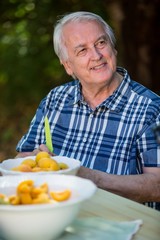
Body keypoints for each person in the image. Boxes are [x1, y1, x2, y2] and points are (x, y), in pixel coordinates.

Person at [16, 11, 160, 210]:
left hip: (121, 224)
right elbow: (22, 159)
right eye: (82, 50)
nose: (96, 56)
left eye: (101, 43)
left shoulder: (151, 108)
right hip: (57, 217)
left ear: (114, 48)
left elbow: (157, 186)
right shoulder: (55, 100)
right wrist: (35, 161)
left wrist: (88, 177)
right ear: (68, 66)